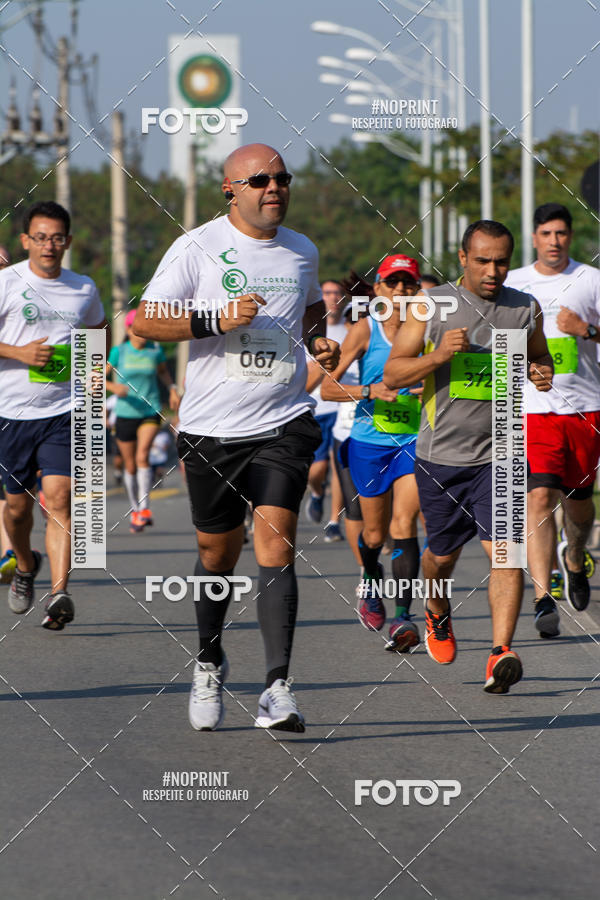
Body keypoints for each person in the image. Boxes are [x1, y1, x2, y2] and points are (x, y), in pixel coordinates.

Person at [133, 143, 339, 733]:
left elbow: (308, 311)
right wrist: (215, 320)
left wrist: (317, 341)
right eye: (260, 180)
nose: (274, 188)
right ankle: (208, 660)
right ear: (230, 189)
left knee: (275, 545)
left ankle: (277, 687)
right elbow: (144, 319)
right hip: (212, 429)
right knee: (216, 555)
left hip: (283, 422)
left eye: (282, 179)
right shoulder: (196, 246)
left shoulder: (301, 249)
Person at [384, 220, 553, 693]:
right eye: (482, 261)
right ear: (462, 259)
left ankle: (501, 652)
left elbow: (541, 356)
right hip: (442, 456)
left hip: (501, 452)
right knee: (441, 558)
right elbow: (393, 374)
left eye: (501, 261)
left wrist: (541, 372)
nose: (492, 271)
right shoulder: (431, 304)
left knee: (506, 552)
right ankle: (437, 610)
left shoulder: (524, 308)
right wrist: (438, 357)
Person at [0, 201, 109, 628]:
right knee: (16, 510)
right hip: (11, 413)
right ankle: (26, 565)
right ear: (26, 240)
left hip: (64, 409)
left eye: (57, 238)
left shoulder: (83, 288)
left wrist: (94, 369)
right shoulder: (7, 282)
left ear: (68, 242)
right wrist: (19, 353)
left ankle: (59, 593)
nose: (49, 246)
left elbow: (97, 332)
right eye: (41, 237)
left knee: (60, 498)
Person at [322, 255, 424, 653]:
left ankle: (403, 617)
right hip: (369, 441)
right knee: (375, 533)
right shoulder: (365, 329)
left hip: (413, 440)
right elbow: (328, 388)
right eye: (393, 283)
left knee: (405, 523)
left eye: (408, 283)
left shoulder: (428, 328)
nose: (401, 290)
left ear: (417, 290)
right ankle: (369, 576)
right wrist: (370, 390)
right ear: (378, 289)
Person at [505, 203, 600, 625]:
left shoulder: (591, 280)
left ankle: (575, 556)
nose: (554, 241)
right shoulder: (513, 283)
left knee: (579, 503)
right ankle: (543, 598)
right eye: (546, 234)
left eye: (561, 233)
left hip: (585, 408)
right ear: (534, 238)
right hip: (533, 409)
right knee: (540, 496)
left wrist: (587, 330)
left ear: (570, 237)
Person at [106, 308, 180, 532]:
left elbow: (163, 371)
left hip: (151, 409)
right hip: (125, 413)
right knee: (129, 465)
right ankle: (135, 509)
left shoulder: (155, 350)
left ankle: (145, 508)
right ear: (128, 329)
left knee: (143, 455)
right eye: (137, 328)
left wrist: (172, 389)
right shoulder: (119, 352)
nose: (142, 332)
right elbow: (96, 378)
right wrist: (113, 387)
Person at [305, 279, 348, 541]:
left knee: (338, 463)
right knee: (317, 470)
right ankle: (317, 491)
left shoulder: (352, 328)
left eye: (337, 293)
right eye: (328, 293)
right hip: (316, 407)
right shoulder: (309, 329)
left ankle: (334, 522)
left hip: (344, 408)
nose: (333, 297)